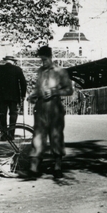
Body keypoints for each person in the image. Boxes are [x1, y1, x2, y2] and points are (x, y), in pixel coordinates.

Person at [26, 44, 74, 177]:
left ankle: (57, 166)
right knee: (38, 137)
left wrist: (54, 92)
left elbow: (69, 90)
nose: (43, 62)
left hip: (55, 109)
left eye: (45, 59)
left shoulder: (61, 72)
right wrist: (32, 95)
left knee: (56, 137)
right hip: (40, 109)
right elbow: (38, 88)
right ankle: (34, 167)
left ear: (51, 57)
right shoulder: (40, 71)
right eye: (41, 60)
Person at [0, 54, 27, 140]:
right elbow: (23, 83)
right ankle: (11, 134)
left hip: (1, 97)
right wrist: (23, 95)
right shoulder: (17, 69)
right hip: (14, 97)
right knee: (13, 114)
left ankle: (4, 134)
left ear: (5, 61)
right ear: (13, 61)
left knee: (2, 115)